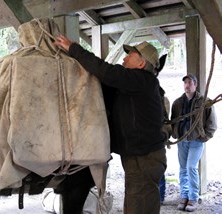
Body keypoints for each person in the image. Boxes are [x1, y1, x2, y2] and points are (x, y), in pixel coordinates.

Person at [54, 35, 167, 214]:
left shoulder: (142, 80)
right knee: (135, 204)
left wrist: (74, 49)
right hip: (138, 157)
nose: (125, 58)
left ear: (141, 64)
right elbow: (104, 83)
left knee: (139, 206)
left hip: (144, 159)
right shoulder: (131, 87)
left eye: (131, 55)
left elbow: (106, 71)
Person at [171, 73, 217, 212]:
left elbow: (212, 124)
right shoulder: (177, 103)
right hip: (182, 140)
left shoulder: (205, 102)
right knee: (183, 169)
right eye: (185, 83)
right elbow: (173, 120)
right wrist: (175, 134)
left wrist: (203, 137)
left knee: (191, 167)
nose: (187, 85)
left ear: (195, 85)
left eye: (190, 83)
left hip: (196, 141)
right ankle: (184, 196)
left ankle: (193, 198)